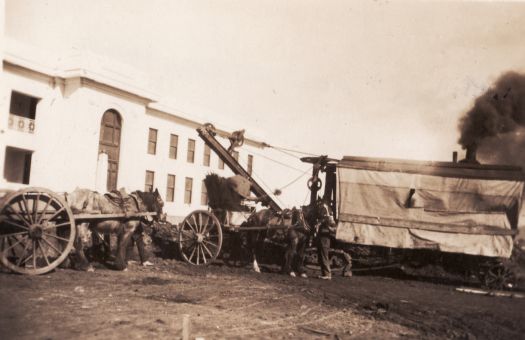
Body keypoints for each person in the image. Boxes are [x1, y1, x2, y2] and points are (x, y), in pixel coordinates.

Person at [315, 199, 337, 280]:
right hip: (321, 239)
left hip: (325, 240)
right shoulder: (322, 220)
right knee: (321, 257)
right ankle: (324, 274)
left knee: (324, 257)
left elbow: (334, 230)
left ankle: (328, 274)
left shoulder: (330, 219)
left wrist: (328, 227)